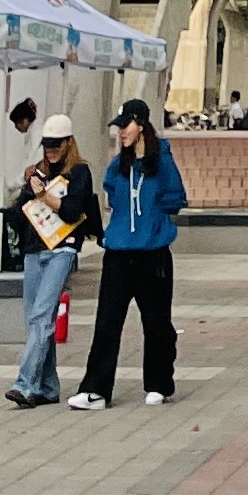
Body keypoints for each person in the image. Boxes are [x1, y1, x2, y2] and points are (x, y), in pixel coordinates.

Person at [75, 99, 182, 407]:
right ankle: (95, 389)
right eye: (119, 127)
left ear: (141, 125)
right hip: (118, 254)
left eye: (126, 126)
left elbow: (175, 199)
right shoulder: (116, 165)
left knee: (157, 323)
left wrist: (153, 221)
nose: (121, 132)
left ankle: (159, 383)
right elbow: (113, 199)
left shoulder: (163, 161)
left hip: (153, 254)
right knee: (107, 322)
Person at [3, 114, 101, 406]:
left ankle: (25, 384)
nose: (51, 151)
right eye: (47, 145)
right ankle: (47, 386)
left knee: (41, 317)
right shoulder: (38, 172)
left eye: (56, 145)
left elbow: (72, 211)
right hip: (35, 249)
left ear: (68, 143)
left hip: (62, 249)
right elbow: (16, 214)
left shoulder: (79, 172)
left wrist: (43, 195)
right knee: (34, 319)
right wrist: (27, 190)